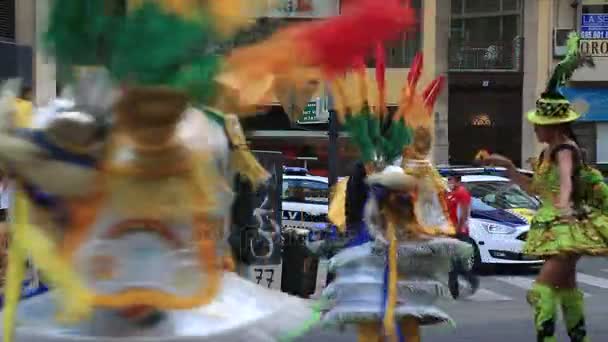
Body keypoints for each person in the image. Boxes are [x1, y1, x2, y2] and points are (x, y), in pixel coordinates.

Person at [480, 33, 601, 342]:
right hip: (553, 224)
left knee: (540, 291)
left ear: (553, 125)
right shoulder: (548, 152)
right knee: (566, 288)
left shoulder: (564, 150)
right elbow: (535, 189)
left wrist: (562, 204)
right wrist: (507, 167)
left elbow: (564, 183)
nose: (534, 127)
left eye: (538, 124)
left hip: (564, 227)